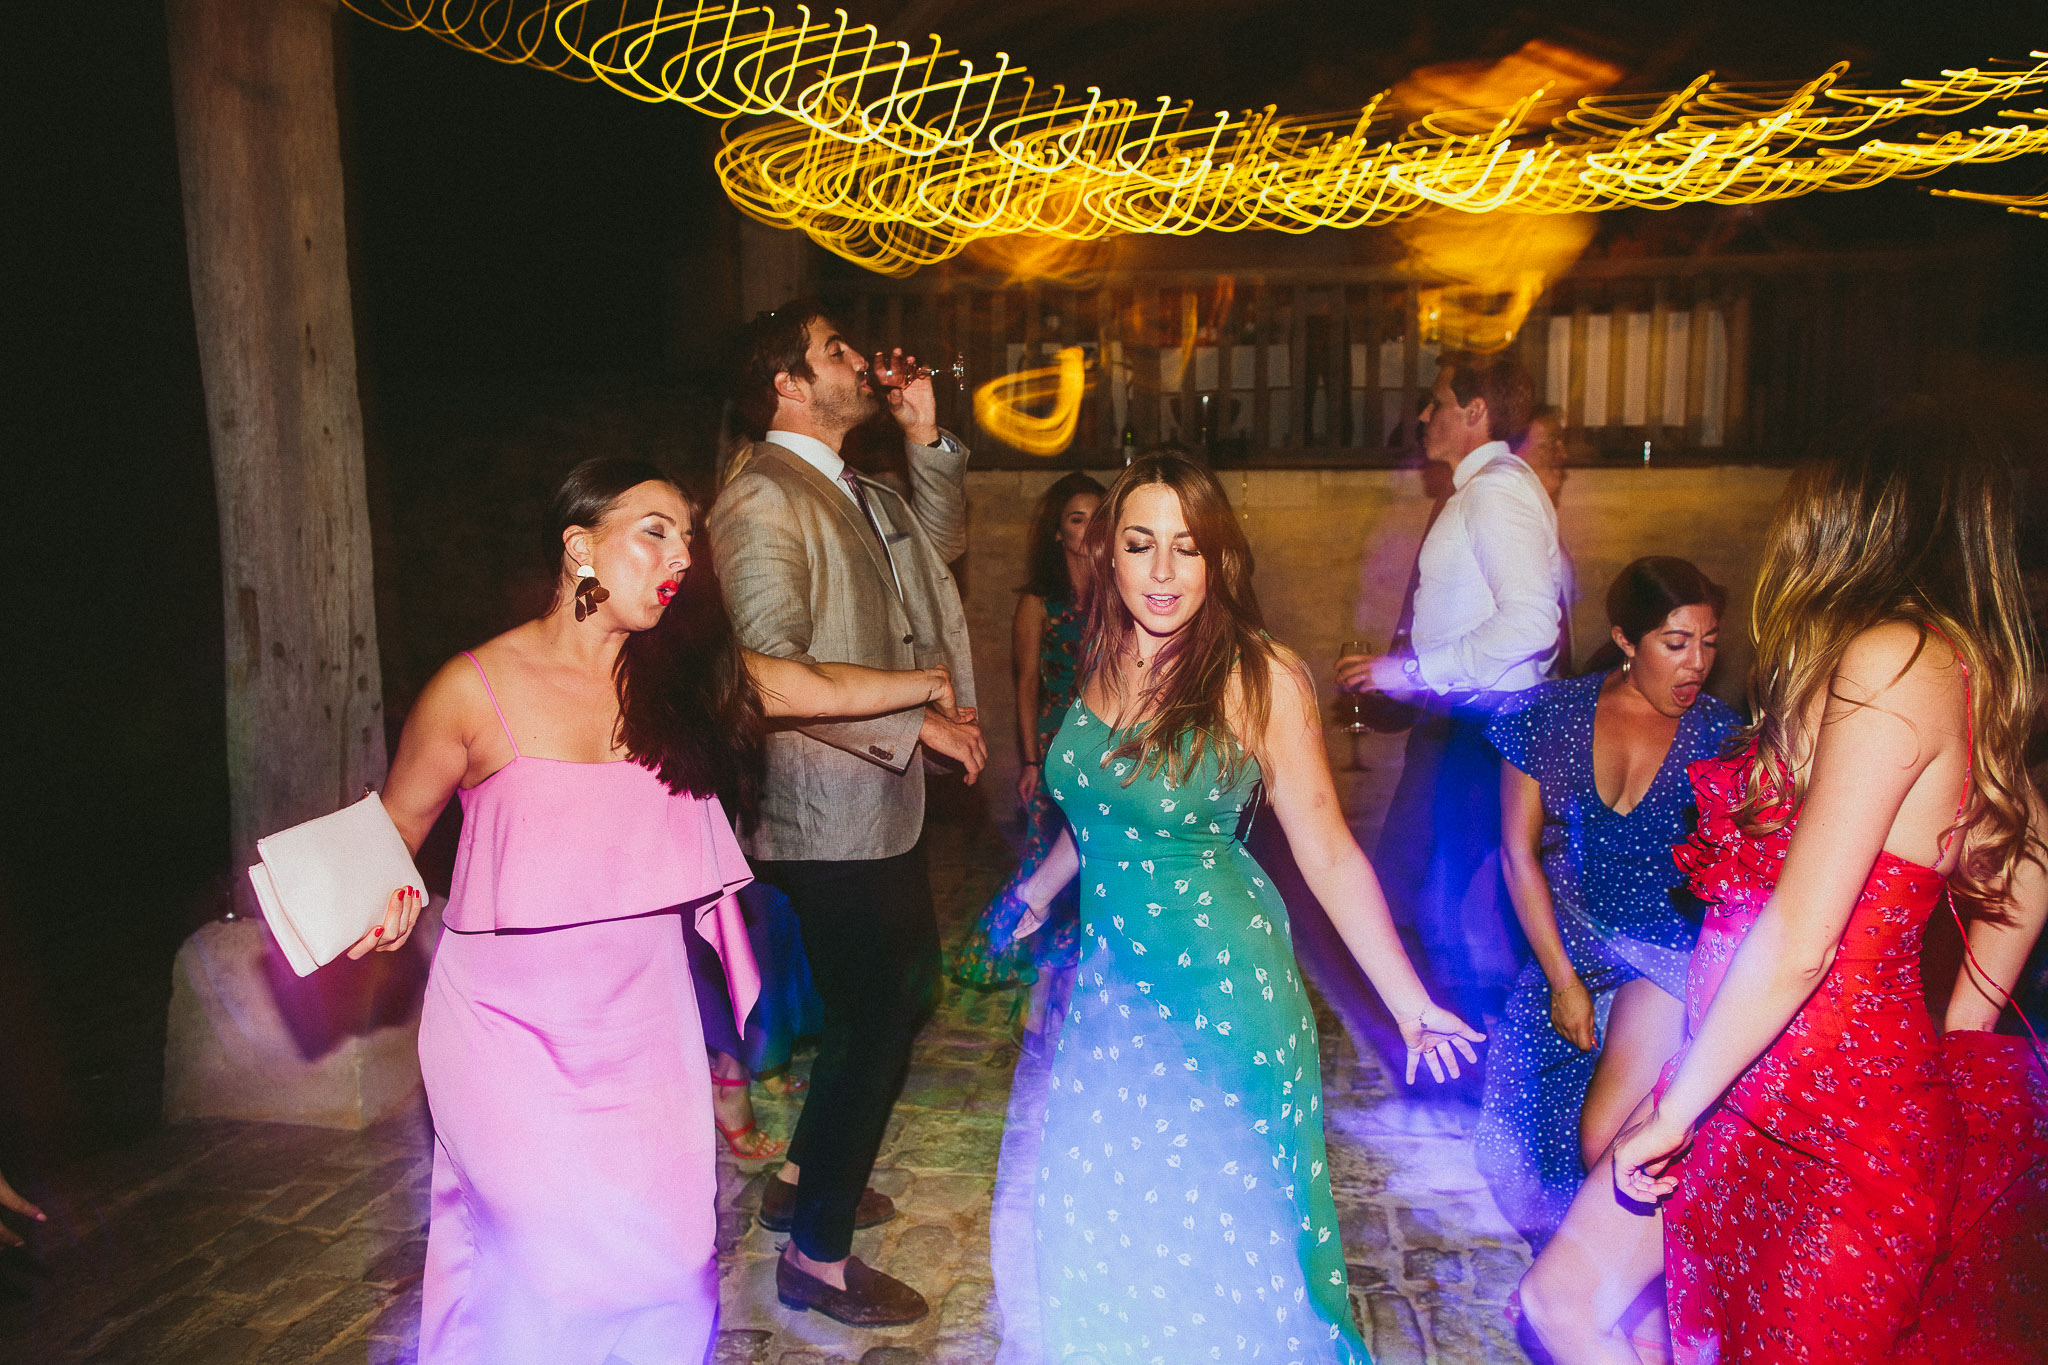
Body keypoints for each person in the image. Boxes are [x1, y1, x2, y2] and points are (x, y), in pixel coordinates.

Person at [363, 458, 962, 1365]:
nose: (681, 554)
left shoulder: (682, 686)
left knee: (672, 1266)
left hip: (646, 1024)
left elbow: (818, 689)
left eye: (689, 537)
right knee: (544, 1265)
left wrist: (924, 685)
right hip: (503, 1030)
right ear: (579, 545)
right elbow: (394, 833)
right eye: (655, 531)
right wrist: (379, 901)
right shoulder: (472, 688)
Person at [1523, 405, 2048, 1363]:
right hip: (1744, 1068)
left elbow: (1804, 936)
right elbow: (2028, 848)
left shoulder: (1900, 661)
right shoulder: (1911, 663)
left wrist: (1673, 1110)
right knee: (1562, 1301)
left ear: (1865, 508)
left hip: (1824, 1117)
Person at [999, 453, 1484, 1362]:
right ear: (1107, 554)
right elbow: (1105, 803)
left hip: (1221, 994)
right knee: (1109, 1221)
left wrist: (1410, 1003)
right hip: (1113, 991)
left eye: (1187, 547)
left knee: (1225, 1243)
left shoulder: (1258, 676)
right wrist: (1038, 889)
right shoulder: (1104, 648)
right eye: (1140, 544)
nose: (1162, 571)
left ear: (1219, 557)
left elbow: (1328, 851)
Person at [710, 301, 986, 1327]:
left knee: (892, 1000)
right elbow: (768, 674)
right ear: (786, 384)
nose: (862, 361)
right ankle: (816, 1261)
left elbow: (940, 550)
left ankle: (797, 1183)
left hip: (878, 803)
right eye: (837, 352)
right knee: (877, 1018)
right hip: (822, 808)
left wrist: (924, 438)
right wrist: (914, 717)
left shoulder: (856, 483)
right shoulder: (758, 499)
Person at [1474, 557, 1737, 1264]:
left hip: (1668, 964)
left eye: (1709, 642)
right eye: (1676, 642)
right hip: (1567, 953)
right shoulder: (1547, 715)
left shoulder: (1723, 736)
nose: (1697, 662)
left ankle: (1613, 1295)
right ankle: (1577, 1287)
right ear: (1625, 639)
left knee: (1608, 1141)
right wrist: (1562, 980)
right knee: (1520, 1148)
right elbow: (1518, 854)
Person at [1338, 354, 1563, 1025]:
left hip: (1478, 727)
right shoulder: (1486, 488)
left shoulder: (1496, 491)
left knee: (1428, 897)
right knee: (1428, 891)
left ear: (1475, 412)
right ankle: (1463, 1034)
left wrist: (1408, 672)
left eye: (1436, 402)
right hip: (1463, 724)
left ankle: (1474, 1039)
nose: (1424, 415)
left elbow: (1532, 622)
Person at [948, 471, 1103, 1021]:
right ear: (1058, 532)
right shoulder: (1039, 602)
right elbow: (1026, 683)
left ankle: (1069, 953)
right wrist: (1031, 759)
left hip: (1104, 740)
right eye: (1076, 519)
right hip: (1055, 742)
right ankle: (993, 948)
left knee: (1095, 851)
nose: (1087, 530)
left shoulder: (1118, 595)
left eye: (1097, 519)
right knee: (1047, 852)